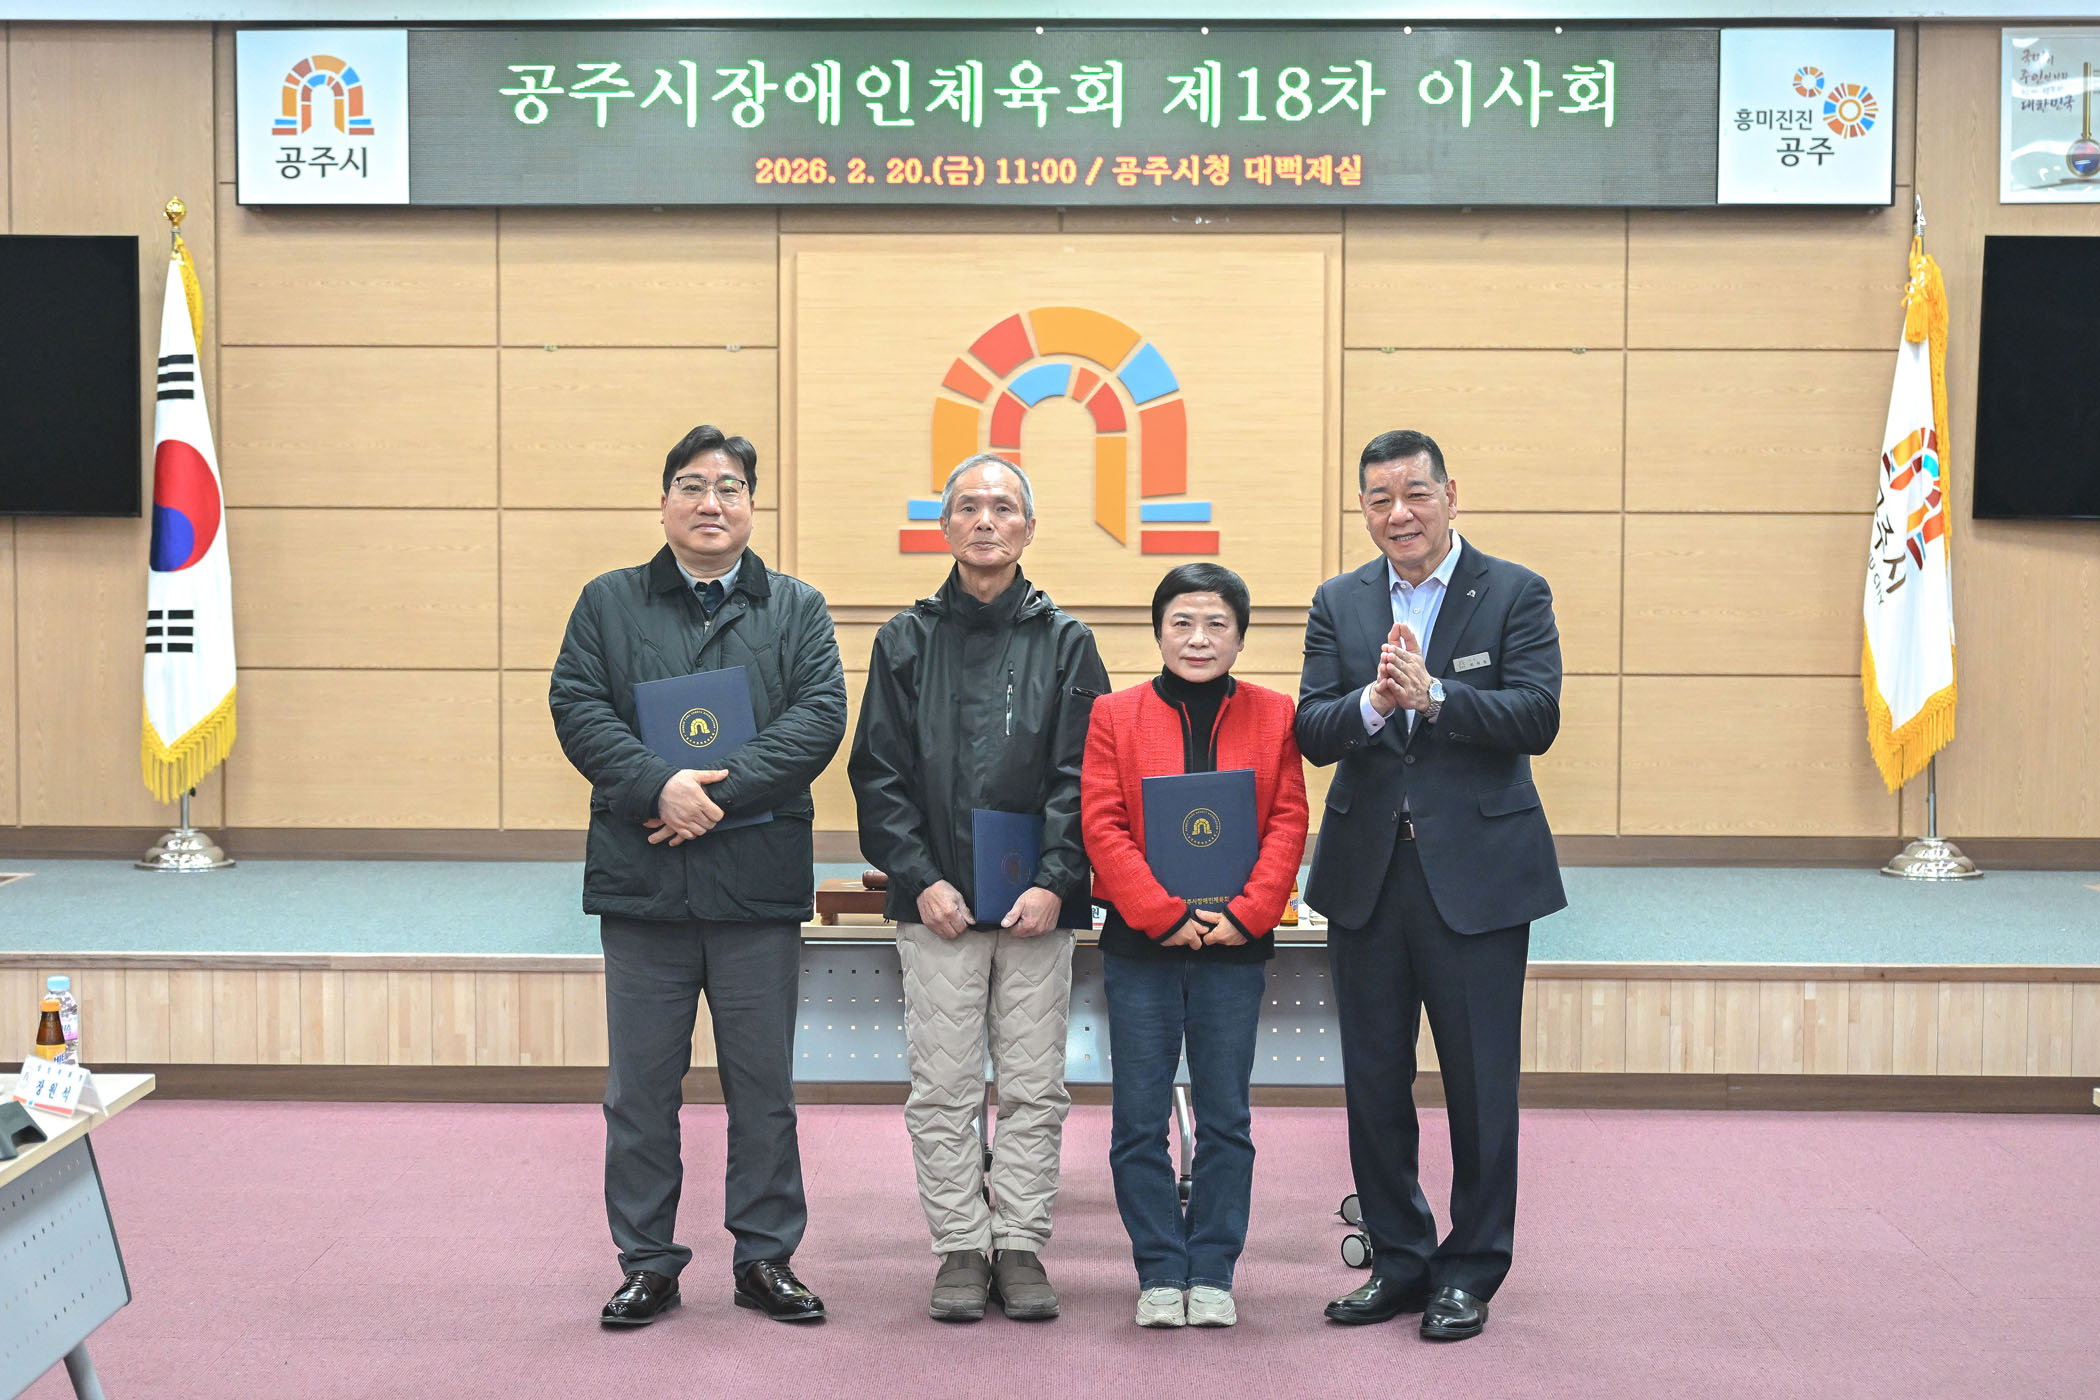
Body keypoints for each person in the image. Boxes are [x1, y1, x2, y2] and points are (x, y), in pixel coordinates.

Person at [550, 424, 847, 1328]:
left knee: (764, 1090)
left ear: (752, 504)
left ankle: (765, 1259)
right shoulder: (608, 602)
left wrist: (707, 795)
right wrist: (657, 786)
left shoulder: (797, 608)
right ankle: (648, 1262)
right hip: (644, 885)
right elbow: (577, 705)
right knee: (640, 1092)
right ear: (665, 502)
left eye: (728, 487)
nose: (710, 502)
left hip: (755, 886)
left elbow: (819, 717)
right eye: (691, 485)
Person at [1295, 429, 1565, 1342]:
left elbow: (1537, 715)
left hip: (1478, 879)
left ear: (1451, 495)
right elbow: (1312, 729)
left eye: (1415, 493)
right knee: (1374, 1082)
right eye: (1380, 499)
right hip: (1367, 877)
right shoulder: (1339, 601)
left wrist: (1436, 696)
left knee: (1480, 1085)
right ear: (1364, 509)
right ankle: (1400, 1259)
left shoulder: (1515, 592)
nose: (1398, 513)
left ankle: (1471, 1269)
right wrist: (1374, 704)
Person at [848, 452, 1109, 1323]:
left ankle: (1022, 1243)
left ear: (1029, 527)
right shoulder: (904, 640)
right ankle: (962, 1245)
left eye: (1003, 507)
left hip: (1039, 907)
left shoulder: (1068, 642)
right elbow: (878, 775)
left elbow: (1085, 777)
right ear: (945, 526)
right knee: (944, 1089)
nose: (986, 520)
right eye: (968, 507)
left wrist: (1056, 880)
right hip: (938, 911)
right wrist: (920, 879)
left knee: (1035, 1086)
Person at [1081, 563, 1309, 1330]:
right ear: (1158, 631)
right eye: (1182, 621)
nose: (1199, 638)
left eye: (1217, 623)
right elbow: (1102, 823)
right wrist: (1160, 911)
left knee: (1226, 1120)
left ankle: (1212, 1268)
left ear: (1240, 637)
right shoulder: (1114, 714)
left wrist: (1248, 914)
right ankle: (1157, 1270)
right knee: (1137, 1121)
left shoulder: (1276, 714)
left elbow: (1287, 821)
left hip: (1234, 948)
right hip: (1142, 947)